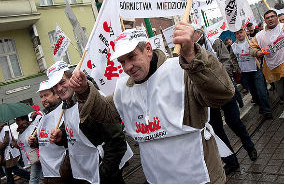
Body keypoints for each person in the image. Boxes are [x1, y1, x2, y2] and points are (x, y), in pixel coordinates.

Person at [64, 25, 236, 183]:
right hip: (157, 178)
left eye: (131, 57)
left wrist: (193, 57)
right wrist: (85, 90)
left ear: (148, 49)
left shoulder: (181, 70)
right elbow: (106, 111)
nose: (127, 67)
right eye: (122, 61)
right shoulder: (124, 88)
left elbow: (222, 94)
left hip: (198, 175)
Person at [47, 62, 127, 184]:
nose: (58, 89)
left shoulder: (92, 100)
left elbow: (117, 140)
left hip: (103, 175)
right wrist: (62, 136)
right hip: (86, 174)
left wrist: (104, 172)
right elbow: (78, 135)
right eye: (54, 86)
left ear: (72, 78)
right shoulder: (67, 105)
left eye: (62, 82)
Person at [195, 30, 257, 175]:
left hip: (223, 90)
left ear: (197, 32)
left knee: (234, 122)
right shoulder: (188, 52)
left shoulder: (215, 42)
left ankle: (250, 147)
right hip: (208, 97)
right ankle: (231, 161)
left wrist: (216, 78)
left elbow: (226, 61)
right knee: (216, 129)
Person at [28, 80, 67, 184]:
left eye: (46, 95)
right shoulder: (43, 116)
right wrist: (34, 142)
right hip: (47, 173)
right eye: (41, 96)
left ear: (57, 95)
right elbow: (43, 142)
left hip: (62, 172)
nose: (43, 99)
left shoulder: (64, 111)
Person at [232, 29, 272, 119]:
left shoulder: (252, 41)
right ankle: (262, 107)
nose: (239, 35)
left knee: (261, 90)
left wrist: (257, 53)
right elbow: (233, 58)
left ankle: (267, 111)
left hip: (256, 70)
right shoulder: (233, 46)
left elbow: (260, 50)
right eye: (237, 33)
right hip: (245, 73)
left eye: (241, 32)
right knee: (254, 94)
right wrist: (237, 68)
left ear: (245, 32)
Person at [250, 10, 284, 105]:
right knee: (281, 93)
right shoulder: (260, 36)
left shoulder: (283, 28)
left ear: (276, 17)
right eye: (267, 18)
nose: (270, 19)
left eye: (272, 16)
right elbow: (251, 48)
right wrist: (257, 52)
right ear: (265, 20)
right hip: (275, 69)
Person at [11, 115, 42, 184]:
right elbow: (21, 145)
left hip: (35, 157)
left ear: (25, 120)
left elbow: (37, 142)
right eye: (16, 120)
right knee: (39, 177)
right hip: (28, 159)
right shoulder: (20, 132)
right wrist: (15, 143)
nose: (16, 122)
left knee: (33, 178)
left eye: (18, 120)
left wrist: (33, 141)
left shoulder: (33, 128)